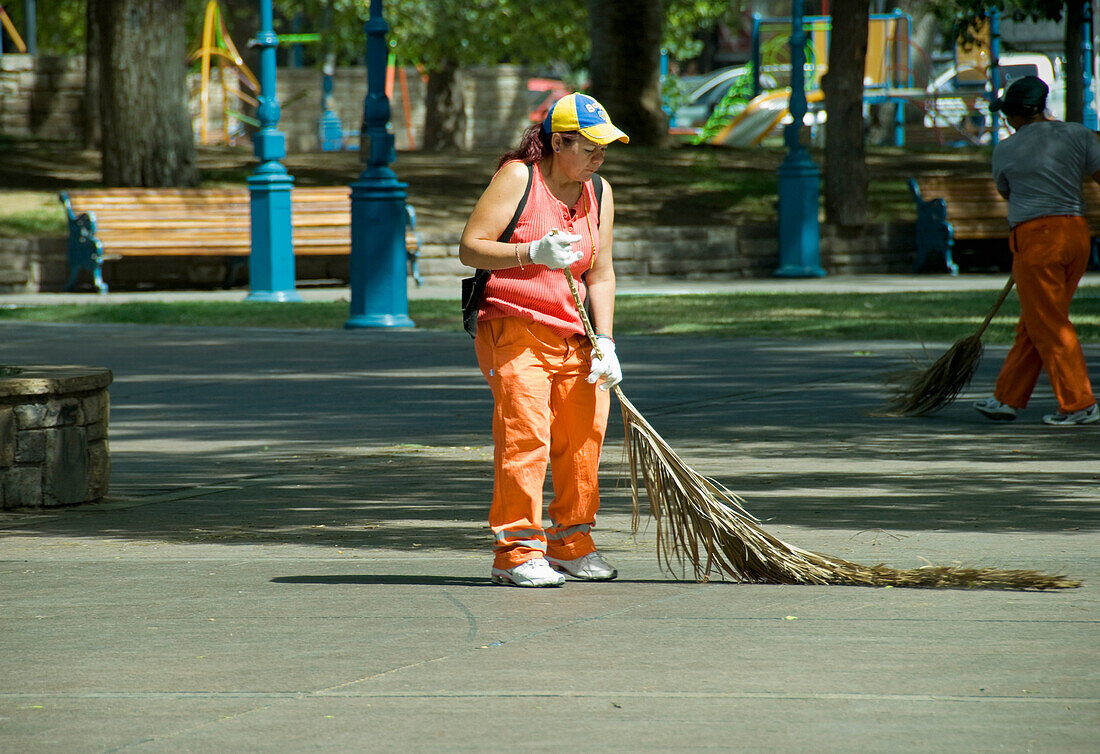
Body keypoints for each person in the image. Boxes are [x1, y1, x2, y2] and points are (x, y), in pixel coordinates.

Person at [458, 94, 628, 587]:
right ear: (558, 142)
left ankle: (572, 543)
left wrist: (608, 341)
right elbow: (470, 248)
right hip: (515, 328)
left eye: (604, 149)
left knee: (583, 438)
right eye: (591, 148)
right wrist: (530, 251)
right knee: (526, 436)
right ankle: (515, 553)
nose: (599, 159)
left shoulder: (599, 191)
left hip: (575, 334)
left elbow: (602, 272)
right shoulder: (518, 178)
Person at [973, 76, 1100, 427]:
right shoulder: (1076, 134)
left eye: (1006, 115)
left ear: (1015, 115)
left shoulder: (1006, 149)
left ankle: (1078, 403)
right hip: (1075, 233)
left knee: (1048, 322)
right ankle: (1006, 398)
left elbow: (1006, 193)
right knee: (1037, 321)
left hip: (1037, 239)